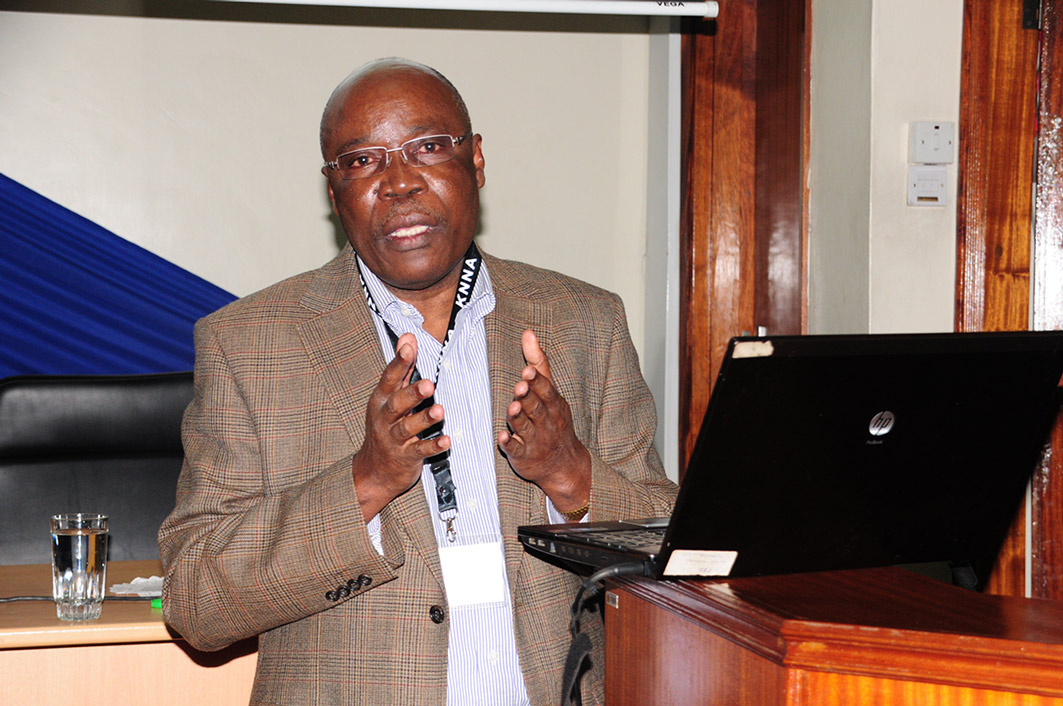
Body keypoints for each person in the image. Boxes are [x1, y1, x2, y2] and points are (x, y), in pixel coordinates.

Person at [158, 57, 677, 706]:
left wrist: (571, 475)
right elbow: (195, 602)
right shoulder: (249, 344)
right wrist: (365, 481)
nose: (399, 182)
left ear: (475, 160)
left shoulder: (584, 322)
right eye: (361, 161)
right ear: (333, 192)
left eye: (428, 147)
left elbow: (679, 556)